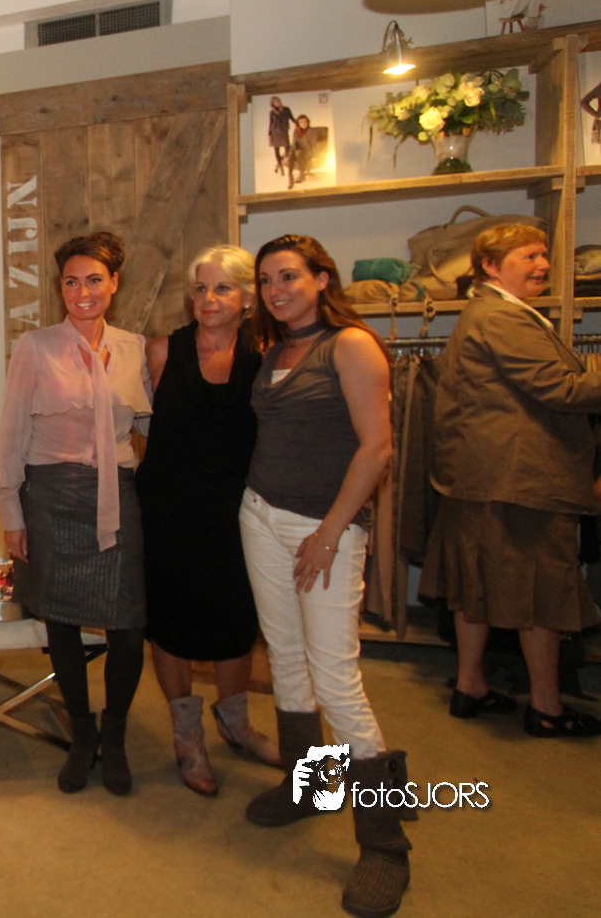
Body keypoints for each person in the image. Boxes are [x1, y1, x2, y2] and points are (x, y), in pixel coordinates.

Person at [239, 234, 406, 918]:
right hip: (260, 514)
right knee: (285, 658)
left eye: (288, 276)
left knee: (335, 676)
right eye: (265, 280)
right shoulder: (274, 350)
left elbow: (377, 447)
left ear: (321, 278)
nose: (275, 290)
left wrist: (330, 532)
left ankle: (385, 842)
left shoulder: (351, 345)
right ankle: (312, 784)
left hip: (325, 530)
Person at [420, 224, 601, 737]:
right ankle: (546, 706)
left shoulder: (489, 312)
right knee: (540, 591)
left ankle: (470, 684)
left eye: (544, 255)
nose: (542, 264)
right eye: (529, 255)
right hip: (517, 480)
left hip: (485, 476)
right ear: (492, 266)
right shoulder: (501, 317)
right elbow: (562, 388)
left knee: (474, 582)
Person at [0, 232, 152, 795]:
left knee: (129, 626)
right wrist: (11, 513)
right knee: (60, 621)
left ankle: (115, 734)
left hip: (117, 494)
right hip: (52, 497)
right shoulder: (35, 347)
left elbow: (150, 425)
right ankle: (82, 734)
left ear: (114, 283)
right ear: (59, 287)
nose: (83, 292)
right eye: (71, 282)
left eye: (94, 280)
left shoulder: (134, 348)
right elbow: (12, 432)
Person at [137, 245, 278, 797]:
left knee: (237, 619)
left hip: (236, 511)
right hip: (168, 510)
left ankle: (236, 723)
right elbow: (139, 427)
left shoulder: (266, 358)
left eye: (222, 288)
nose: (209, 299)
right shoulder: (160, 352)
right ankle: (187, 736)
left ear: (247, 298)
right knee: (170, 621)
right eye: (200, 288)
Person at [268, 96, 297, 174]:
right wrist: (269, 134)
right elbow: (271, 123)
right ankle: (280, 166)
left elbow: (292, 118)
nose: (278, 102)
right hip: (275, 132)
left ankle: (279, 163)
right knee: (276, 150)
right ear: (273, 104)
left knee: (287, 149)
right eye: (275, 102)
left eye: (278, 101)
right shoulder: (272, 112)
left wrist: (298, 124)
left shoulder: (286, 109)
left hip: (284, 132)